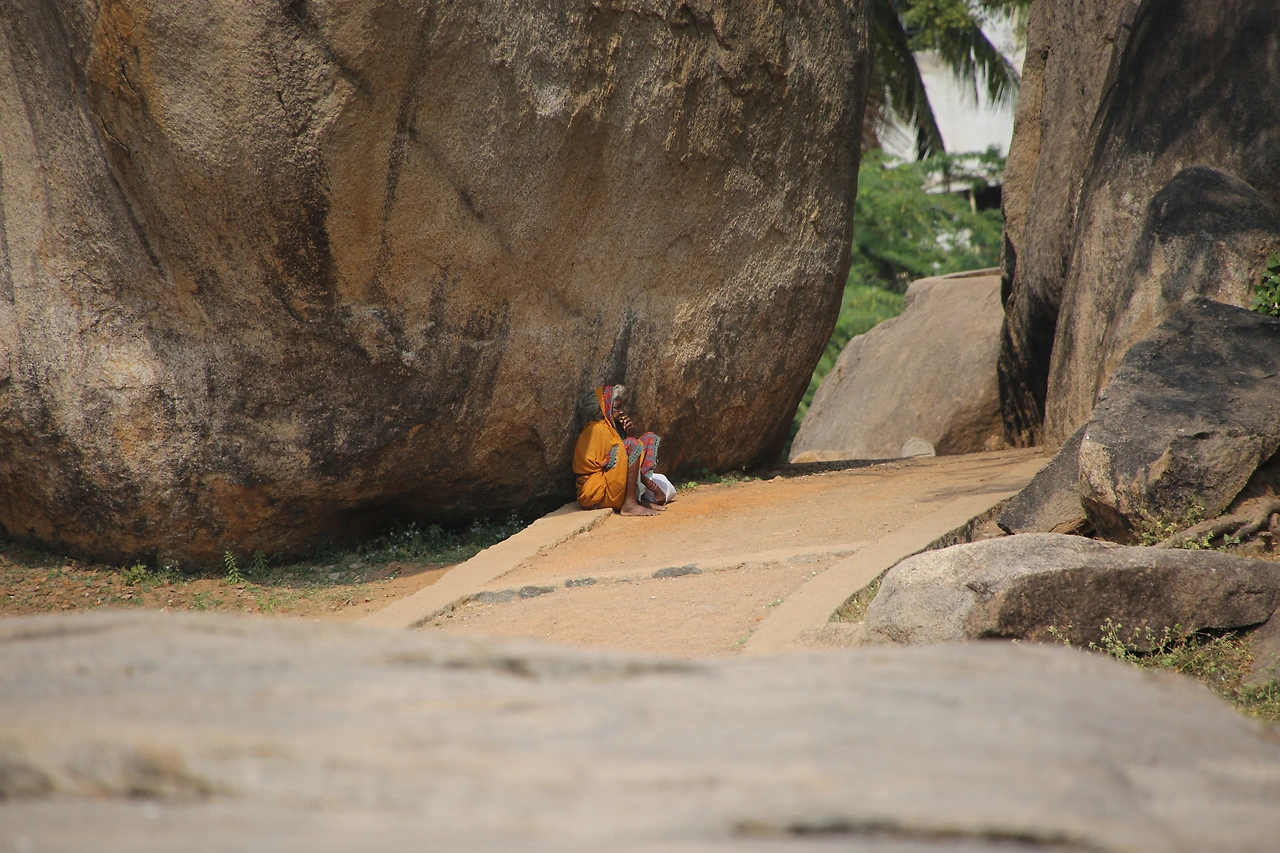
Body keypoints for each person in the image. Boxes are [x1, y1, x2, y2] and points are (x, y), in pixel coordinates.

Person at [572, 384, 675, 516]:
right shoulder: (597, 429)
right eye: (616, 408)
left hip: (608, 482)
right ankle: (630, 504)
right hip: (595, 492)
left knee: (646, 440)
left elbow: (624, 461)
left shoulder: (609, 428)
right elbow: (625, 455)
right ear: (602, 409)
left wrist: (627, 433)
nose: (621, 412)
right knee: (631, 445)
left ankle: (637, 500)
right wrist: (653, 487)